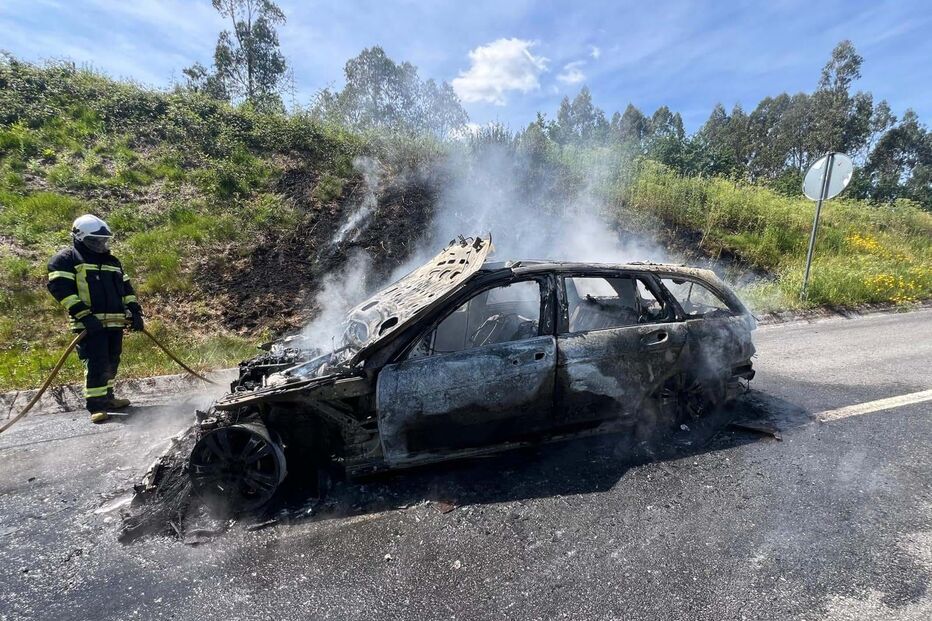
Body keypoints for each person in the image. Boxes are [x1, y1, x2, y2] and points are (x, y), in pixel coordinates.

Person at [47, 214, 145, 423]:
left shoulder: (112, 261)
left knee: (112, 359)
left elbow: (126, 288)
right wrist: (85, 315)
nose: (101, 245)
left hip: (115, 322)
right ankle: (96, 405)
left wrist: (134, 311)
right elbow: (61, 290)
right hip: (89, 325)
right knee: (96, 362)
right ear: (80, 238)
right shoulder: (66, 260)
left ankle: (108, 398)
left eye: (103, 241)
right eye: (95, 241)